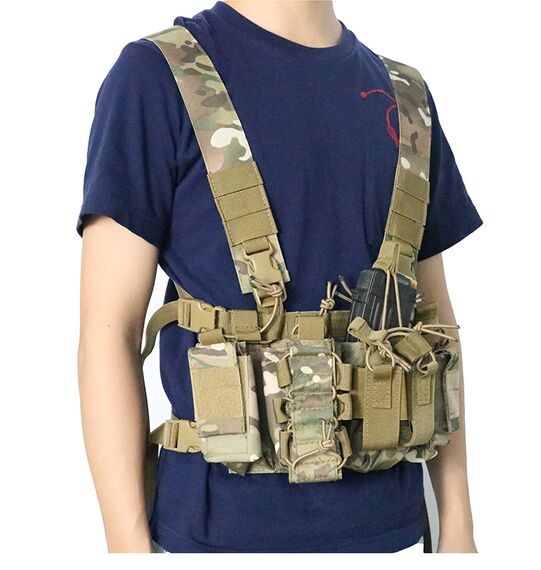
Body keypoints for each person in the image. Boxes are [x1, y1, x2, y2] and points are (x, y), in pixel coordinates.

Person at [76, 0, 482, 553]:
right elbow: (108, 332)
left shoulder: (407, 99)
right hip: (214, 539)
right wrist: (127, 548)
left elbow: (435, 333)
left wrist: (458, 525)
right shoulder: (158, 75)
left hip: (394, 534)